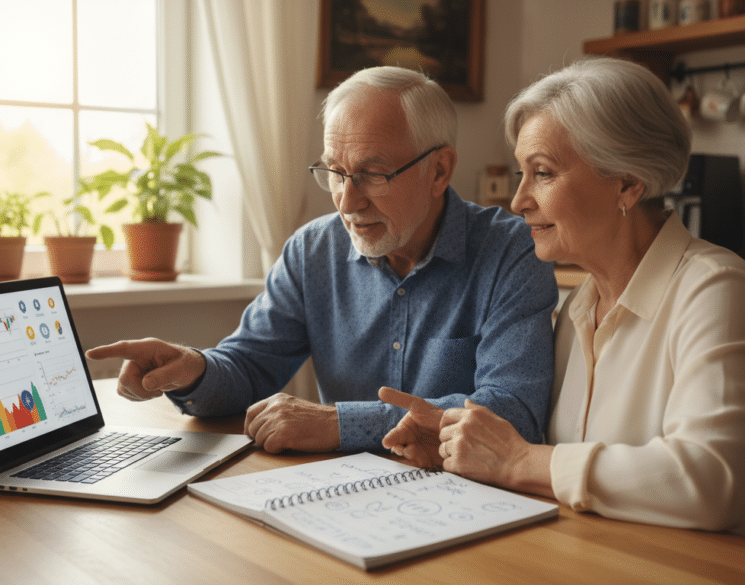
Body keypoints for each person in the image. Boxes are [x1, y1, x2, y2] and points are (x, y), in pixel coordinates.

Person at [380, 57, 745, 556]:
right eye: (521, 173)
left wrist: (519, 462)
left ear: (627, 184)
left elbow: (709, 484)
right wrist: (454, 450)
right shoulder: (581, 302)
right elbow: (573, 472)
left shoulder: (717, 291)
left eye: (543, 173)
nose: (519, 200)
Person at [86, 66, 557, 455]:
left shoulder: (513, 252)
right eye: (334, 171)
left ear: (439, 170)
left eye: (372, 174)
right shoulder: (312, 250)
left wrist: (341, 423)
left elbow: (512, 409)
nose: (347, 201)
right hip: (336, 498)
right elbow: (249, 367)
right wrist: (192, 368)